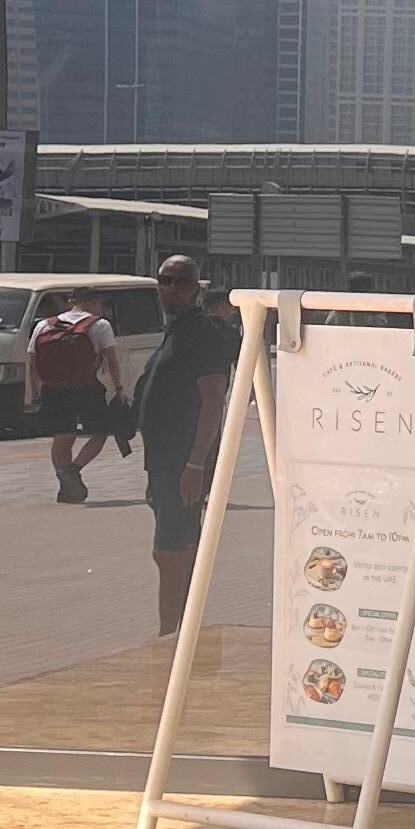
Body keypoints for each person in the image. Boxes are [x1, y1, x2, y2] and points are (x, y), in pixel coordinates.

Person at [134, 252, 240, 638]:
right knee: (180, 547)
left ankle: (169, 635)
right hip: (165, 464)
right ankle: (185, 631)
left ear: (197, 288)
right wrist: (155, 476)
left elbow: (213, 401)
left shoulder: (202, 334)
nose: (172, 289)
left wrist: (195, 464)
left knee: (170, 551)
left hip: (184, 461)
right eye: (165, 280)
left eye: (181, 281)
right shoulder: (176, 332)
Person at [23, 284, 123, 504]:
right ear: (94, 303)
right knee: (100, 433)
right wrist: (119, 389)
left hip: (53, 390)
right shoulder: (100, 325)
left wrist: (36, 392)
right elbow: (112, 362)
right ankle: (73, 470)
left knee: (62, 436)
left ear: (72, 302)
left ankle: (64, 482)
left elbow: (32, 363)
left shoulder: (43, 325)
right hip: (87, 389)